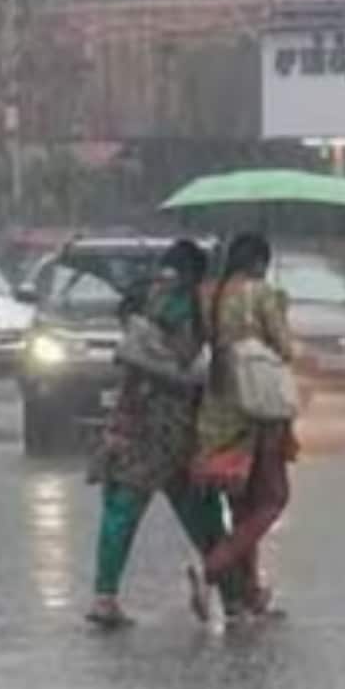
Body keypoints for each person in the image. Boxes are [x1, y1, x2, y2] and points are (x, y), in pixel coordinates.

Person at [85, 240, 237, 629]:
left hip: (134, 417)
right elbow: (194, 357)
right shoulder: (192, 303)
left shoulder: (142, 297)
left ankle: (104, 596)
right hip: (174, 423)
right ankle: (233, 594)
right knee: (200, 510)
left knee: (122, 507)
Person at [189, 233, 298, 621]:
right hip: (258, 411)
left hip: (217, 410)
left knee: (241, 506)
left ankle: (249, 594)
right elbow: (285, 349)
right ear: (259, 263)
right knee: (273, 498)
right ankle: (215, 568)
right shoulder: (263, 294)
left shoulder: (207, 294)